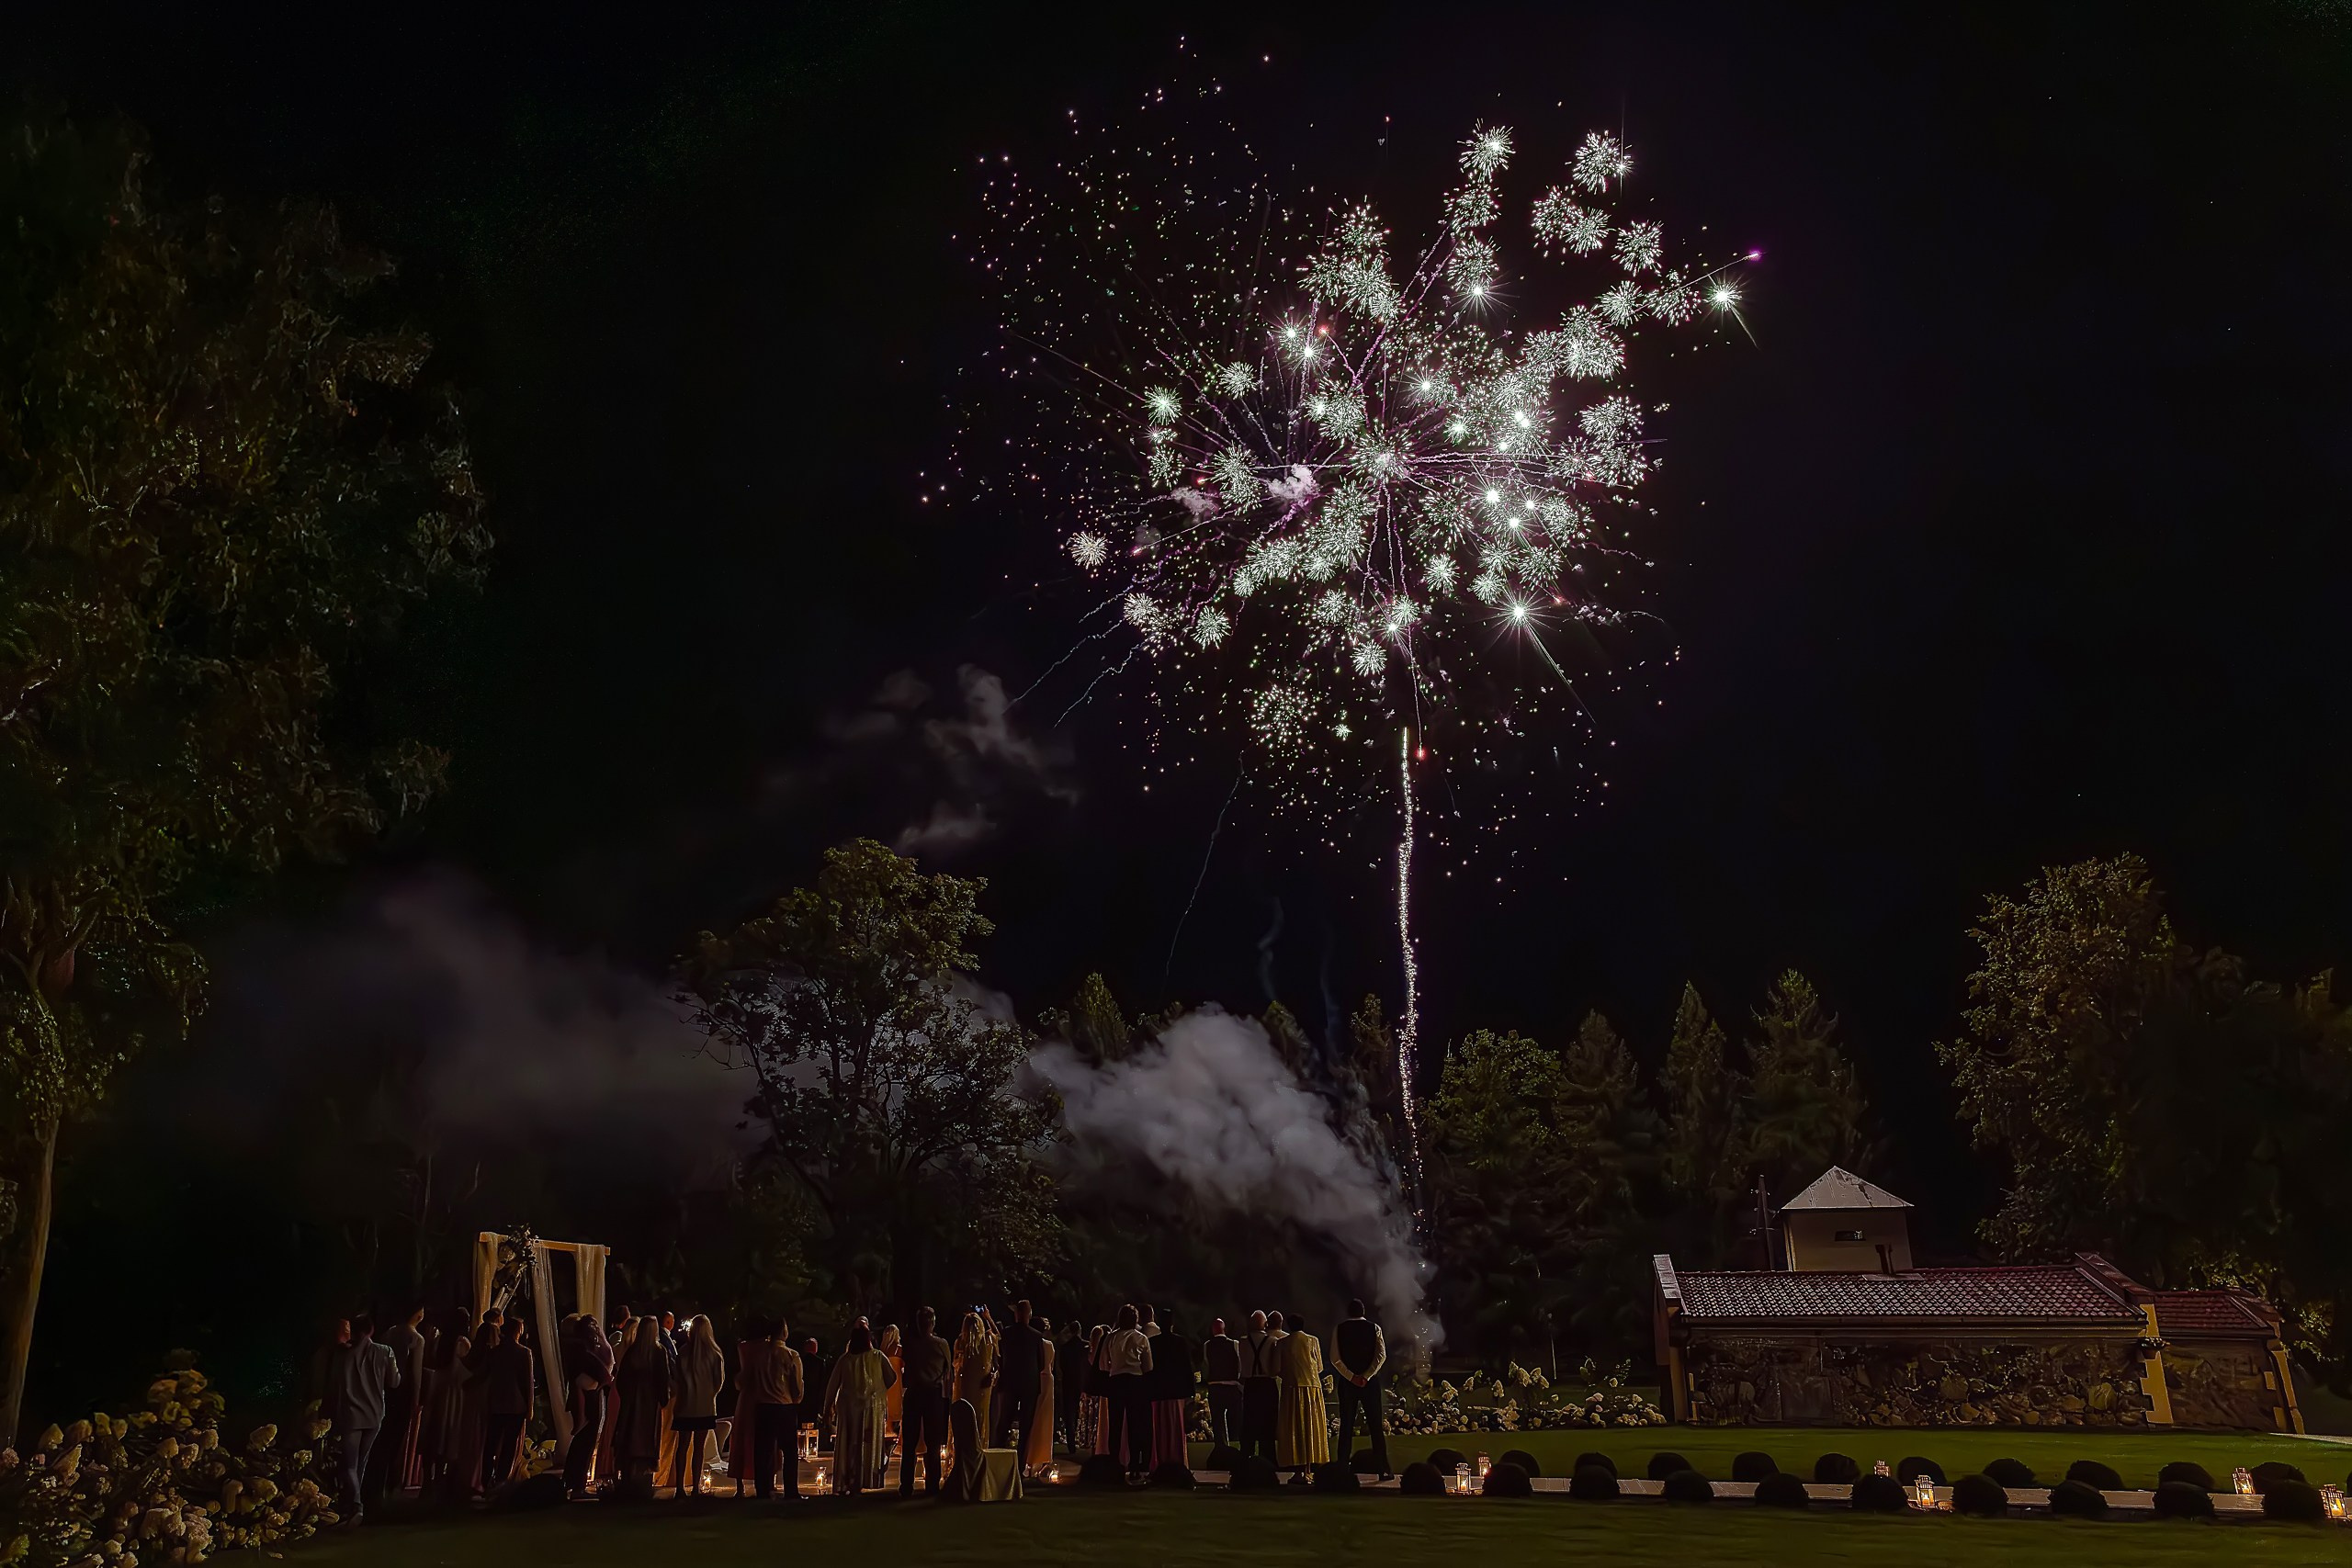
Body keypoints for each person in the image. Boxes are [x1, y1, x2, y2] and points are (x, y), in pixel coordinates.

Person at [325, 1313, 402, 1527]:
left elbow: (334, 1383)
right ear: (371, 1330)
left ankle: (355, 1506)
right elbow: (395, 1381)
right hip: (375, 1413)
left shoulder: (344, 1354)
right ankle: (352, 1507)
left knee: (350, 1464)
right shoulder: (385, 1352)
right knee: (361, 1462)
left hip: (351, 1414)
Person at [822, 1322, 898, 1494]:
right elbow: (891, 1378)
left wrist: (828, 1407)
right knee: (867, 1445)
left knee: (850, 1443)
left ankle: (849, 1478)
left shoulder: (846, 1359)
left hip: (849, 1410)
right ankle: (866, 1477)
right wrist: (878, 1389)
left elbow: (832, 1385)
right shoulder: (878, 1357)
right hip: (871, 1408)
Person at [737, 1316, 803, 1501]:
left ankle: (763, 1491)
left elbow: (743, 1381)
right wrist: (797, 1397)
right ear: (783, 1331)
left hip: (763, 1407)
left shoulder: (758, 1355)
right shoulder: (791, 1355)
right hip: (784, 1406)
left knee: (763, 1451)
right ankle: (791, 1490)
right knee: (790, 1451)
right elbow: (796, 1386)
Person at [368, 1306, 425, 1504]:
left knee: (381, 1438)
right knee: (395, 1442)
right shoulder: (416, 1339)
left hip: (385, 1391)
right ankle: (390, 1485)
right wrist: (416, 1400)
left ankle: (374, 1483)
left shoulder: (389, 1333)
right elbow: (416, 1375)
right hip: (403, 1392)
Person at [1329, 1298, 1390, 1478]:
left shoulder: (1339, 1329)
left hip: (1348, 1384)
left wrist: (1351, 1376)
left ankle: (1342, 1466)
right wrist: (1366, 1375)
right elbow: (1381, 1355)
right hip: (1369, 1383)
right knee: (1375, 1425)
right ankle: (1383, 1468)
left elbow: (1335, 1358)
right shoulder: (1374, 1328)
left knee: (1346, 1424)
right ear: (1363, 1312)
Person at [898, 1306, 952, 1496]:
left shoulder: (910, 1344)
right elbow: (948, 1370)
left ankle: (906, 1485)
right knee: (933, 1441)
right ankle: (932, 1484)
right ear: (932, 1322)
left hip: (914, 1393)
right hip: (933, 1394)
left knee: (910, 1442)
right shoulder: (941, 1344)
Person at [614, 1314, 673, 1486]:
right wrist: (664, 1399)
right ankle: (643, 1482)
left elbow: (622, 1379)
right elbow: (663, 1379)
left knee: (630, 1436)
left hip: (632, 1404)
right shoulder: (658, 1352)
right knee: (646, 1439)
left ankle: (627, 1479)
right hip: (649, 1405)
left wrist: (627, 1396)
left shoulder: (633, 1352)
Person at [416, 1308, 470, 1498]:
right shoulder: (461, 1343)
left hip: (438, 1389)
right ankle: (439, 1478)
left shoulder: (441, 1341)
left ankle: (428, 1481)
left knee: (434, 1432)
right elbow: (467, 1370)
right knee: (447, 1433)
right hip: (454, 1392)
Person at [670, 1314, 725, 1496]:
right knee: (699, 1449)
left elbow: (676, 1380)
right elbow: (719, 1382)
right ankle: (695, 1486)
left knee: (683, 1446)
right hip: (705, 1406)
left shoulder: (683, 1353)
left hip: (685, 1405)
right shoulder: (714, 1354)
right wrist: (708, 1394)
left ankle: (679, 1487)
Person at [481, 1318, 537, 1491]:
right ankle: (501, 1480)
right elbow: (527, 1382)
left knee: (491, 1444)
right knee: (509, 1445)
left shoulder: (494, 1352)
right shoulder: (523, 1352)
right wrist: (530, 1406)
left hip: (496, 1403)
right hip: (516, 1404)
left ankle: (486, 1479)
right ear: (517, 1331)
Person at [1100, 1304, 1154, 1479]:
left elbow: (1102, 1363)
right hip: (1135, 1381)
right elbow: (1148, 1366)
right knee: (1134, 1424)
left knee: (1115, 1424)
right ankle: (1134, 1464)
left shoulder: (1111, 1338)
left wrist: (1114, 1365)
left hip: (1115, 1380)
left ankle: (1113, 1462)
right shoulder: (1141, 1338)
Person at [563, 1313, 615, 1495]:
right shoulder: (583, 1351)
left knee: (581, 1440)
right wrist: (606, 1381)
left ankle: (570, 1480)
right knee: (586, 1440)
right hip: (590, 1395)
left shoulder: (575, 1349)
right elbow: (603, 1374)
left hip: (585, 1394)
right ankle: (578, 1485)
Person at [990, 1299, 1046, 1461]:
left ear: (1016, 1314)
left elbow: (999, 1358)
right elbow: (1041, 1363)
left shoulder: (1006, 1334)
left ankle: (998, 1459)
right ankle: (1020, 1462)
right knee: (1025, 1426)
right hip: (1029, 1385)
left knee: (1003, 1423)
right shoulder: (1036, 1336)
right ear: (1029, 1314)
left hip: (1009, 1383)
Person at [1274, 1311, 1329, 1476]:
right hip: (1312, 1388)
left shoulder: (1282, 1343)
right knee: (1312, 1428)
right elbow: (1319, 1367)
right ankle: (1310, 1467)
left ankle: (1297, 1468)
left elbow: (1278, 1368)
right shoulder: (1313, 1341)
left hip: (1291, 1389)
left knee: (1295, 1428)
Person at [1148, 1312, 1196, 1470]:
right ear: (1172, 1324)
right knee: (1175, 1427)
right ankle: (1177, 1461)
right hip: (1175, 1392)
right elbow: (1187, 1367)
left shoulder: (1153, 1342)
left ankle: (1159, 1462)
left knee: (1159, 1429)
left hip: (1158, 1392)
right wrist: (1190, 1390)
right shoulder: (1180, 1342)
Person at [1238, 1310, 1281, 1464]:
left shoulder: (1243, 1341)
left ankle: (1246, 1459)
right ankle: (1268, 1459)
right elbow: (1276, 1368)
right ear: (1266, 1324)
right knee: (1268, 1424)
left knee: (1249, 1423)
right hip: (1267, 1384)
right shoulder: (1272, 1341)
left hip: (1250, 1384)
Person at [951, 1310, 999, 1441]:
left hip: (970, 1387)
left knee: (971, 1419)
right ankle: (978, 1449)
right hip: (977, 1388)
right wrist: (989, 1318)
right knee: (978, 1419)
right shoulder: (983, 1340)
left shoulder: (963, 1342)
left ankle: (967, 1450)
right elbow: (999, 1336)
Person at [1202, 1317, 1242, 1449]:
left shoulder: (1207, 1345)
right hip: (1232, 1387)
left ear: (1213, 1330)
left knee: (1218, 1423)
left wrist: (1206, 1379)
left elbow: (1206, 1366)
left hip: (1215, 1387)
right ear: (1224, 1329)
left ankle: (1222, 1449)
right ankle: (1238, 1448)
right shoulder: (1234, 1344)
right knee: (1236, 1420)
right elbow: (1240, 1366)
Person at [1025, 1316, 1057, 1472]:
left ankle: (1030, 1456)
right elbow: (1051, 1364)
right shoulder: (1049, 1345)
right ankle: (1043, 1455)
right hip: (1047, 1380)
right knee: (1045, 1419)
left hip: (1036, 1379)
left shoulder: (1032, 1344)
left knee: (1034, 1417)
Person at [1054, 1320, 1086, 1454]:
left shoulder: (1065, 1348)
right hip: (1082, 1382)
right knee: (1082, 1413)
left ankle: (1071, 1443)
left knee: (1069, 1413)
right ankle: (1082, 1439)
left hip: (1068, 1382)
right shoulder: (1085, 1346)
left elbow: (1061, 1366)